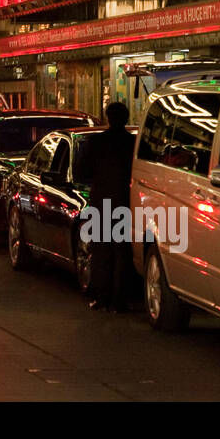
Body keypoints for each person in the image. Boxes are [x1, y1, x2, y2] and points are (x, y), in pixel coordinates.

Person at [77, 100, 137, 312]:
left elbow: (83, 170)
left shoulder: (97, 142)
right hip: (125, 201)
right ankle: (119, 299)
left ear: (108, 118)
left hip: (101, 201)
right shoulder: (133, 144)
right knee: (122, 250)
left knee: (101, 249)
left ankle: (101, 296)